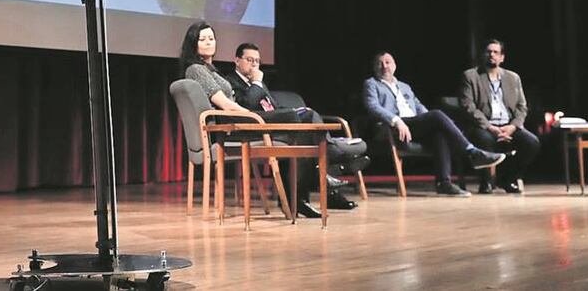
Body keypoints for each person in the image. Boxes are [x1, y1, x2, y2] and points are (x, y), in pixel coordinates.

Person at [179, 21, 323, 218]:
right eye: (202, 39)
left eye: (211, 38)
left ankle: (297, 196)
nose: (208, 43)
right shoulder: (196, 69)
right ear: (193, 43)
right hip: (233, 125)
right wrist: (250, 115)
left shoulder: (209, 69)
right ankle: (308, 186)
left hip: (238, 120)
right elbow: (225, 104)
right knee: (293, 115)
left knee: (296, 128)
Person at [226, 42, 367, 210]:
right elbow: (246, 105)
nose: (254, 65)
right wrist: (256, 84)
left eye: (257, 61)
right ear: (237, 60)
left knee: (305, 126)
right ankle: (335, 159)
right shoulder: (231, 82)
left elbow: (275, 108)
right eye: (250, 60)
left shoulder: (260, 83)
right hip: (256, 130)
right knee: (307, 116)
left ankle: (314, 191)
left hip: (275, 126)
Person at [363, 51, 506, 196]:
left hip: (413, 126)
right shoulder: (371, 84)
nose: (384, 66)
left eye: (387, 62)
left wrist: (433, 121)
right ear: (374, 67)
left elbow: (419, 108)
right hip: (391, 128)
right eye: (379, 63)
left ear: (394, 65)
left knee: (439, 132)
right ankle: (472, 152)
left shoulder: (404, 86)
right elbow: (373, 106)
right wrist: (396, 121)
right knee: (437, 115)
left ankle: (443, 183)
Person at [460, 39, 540, 193]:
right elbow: (468, 107)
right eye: (488, 52)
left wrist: (513, 126)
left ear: (502, 57)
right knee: (484, 139)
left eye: (496, 52)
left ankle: (508, 178)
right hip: (484, 126)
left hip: (509, 126)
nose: (492, 55)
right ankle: (486, 182)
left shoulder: (513, 78)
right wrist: (490, 127)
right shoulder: (470, 76)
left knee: (532, 143)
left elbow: (522, 107)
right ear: (483, 55)